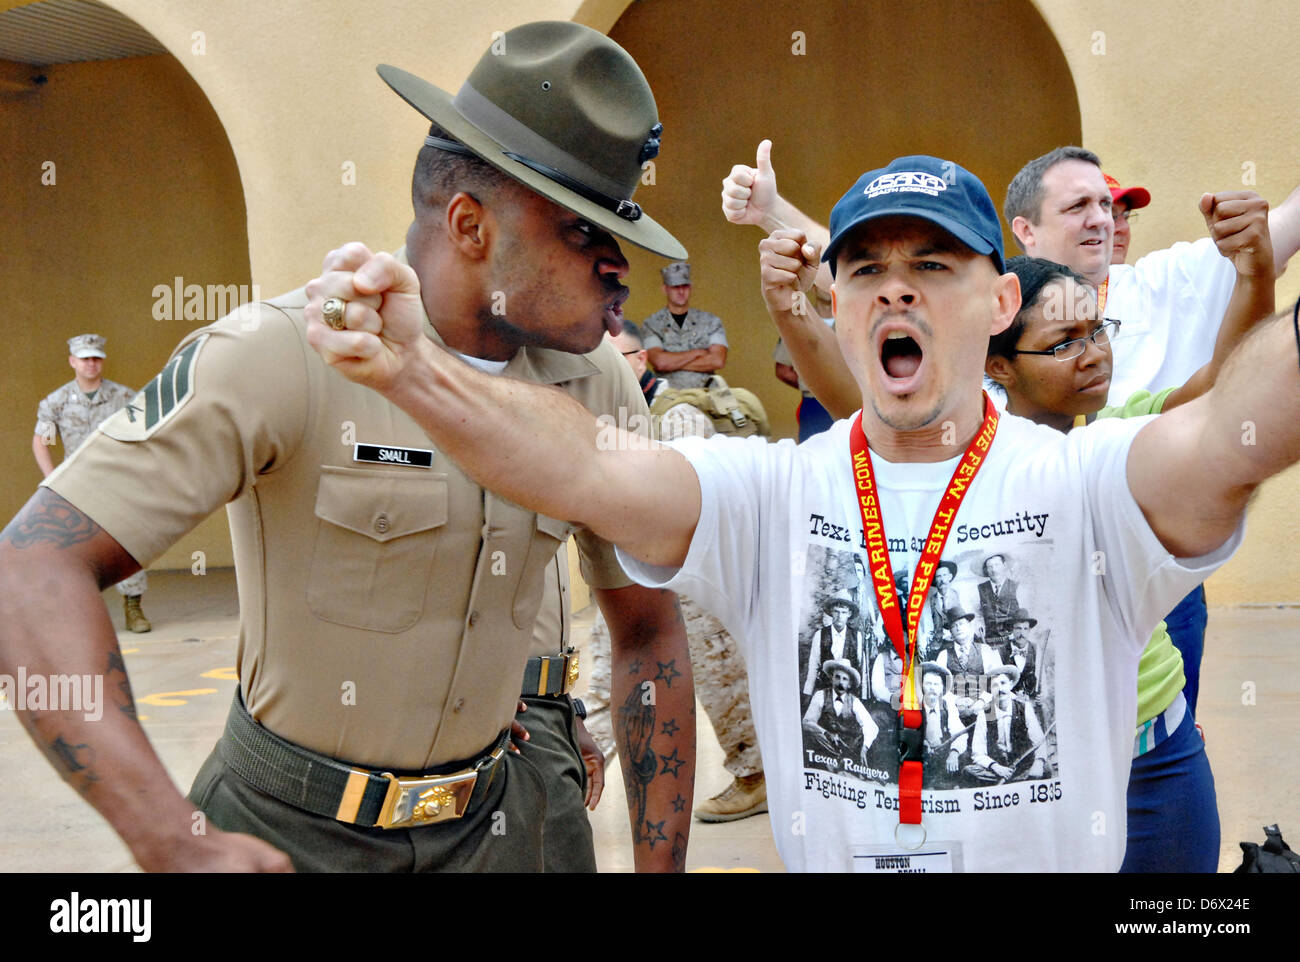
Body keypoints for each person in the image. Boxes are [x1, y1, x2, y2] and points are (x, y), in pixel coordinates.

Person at [303, 149, 1295, 873]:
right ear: (842, 305)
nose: (894, 288)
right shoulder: (770, 495)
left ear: (998, 302)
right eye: (866, 268)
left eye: (933, 266)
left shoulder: (1086, 487)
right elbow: (588, 465)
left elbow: (1233, 429)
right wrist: (415, 370)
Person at [0, 21, 694, 873]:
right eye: (584, 233)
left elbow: (650, 629)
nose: (617, 268)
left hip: (502, 826)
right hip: (292, 833)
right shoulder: (281, 353)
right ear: (471, 225)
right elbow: (31, 568)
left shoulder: (596, 384)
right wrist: (167, 840)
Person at [986, 225, 1274, 871]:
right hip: (1037, 773)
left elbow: (1228, 390)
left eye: (1097, 330)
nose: (1092, 353)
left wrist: (1255, 276)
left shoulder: (1124, 432)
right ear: (997, 364)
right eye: (1063, 343)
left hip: (1158, 760)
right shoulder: (970, 469)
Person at [1004, 145, 1299, 401]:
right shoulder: (994, 319)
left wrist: (1249, 234)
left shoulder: (1169, 278)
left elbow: (1289, 221)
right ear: (1027, 230)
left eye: (1105, 204)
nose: (1102, 220)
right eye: (1078, 206)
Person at [32, 334, 151, 633]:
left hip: (116, 483)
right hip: (76, 487)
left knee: (125, 543)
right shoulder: (56, 402)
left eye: (96, 358)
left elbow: (145, 431)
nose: (90, 364)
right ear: (73, 361)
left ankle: (133, 606)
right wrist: (52, 478)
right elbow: (42, 441)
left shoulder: (124, 397)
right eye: (85, 358)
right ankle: (78, 612)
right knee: (75, 548)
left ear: (102, 361)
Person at [640, 261, 729, 389]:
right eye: (675, 287)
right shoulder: (652, 324)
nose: (681, 291)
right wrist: (698, 353)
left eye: (685, 286)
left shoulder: (711, 322)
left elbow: (718, 360)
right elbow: (660, 362)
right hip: (668, 397)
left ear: (690, 287)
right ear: (665, 289)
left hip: (706, 394)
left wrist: (673, 363)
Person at [964, 666, 1048, 784]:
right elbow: (978, 752)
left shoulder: (1024, 708)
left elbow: (1039, 741)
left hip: (1022, 767)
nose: (1000, 689)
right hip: (997, 769)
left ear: (1011, 684)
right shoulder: (984, 713)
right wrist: (996, 767)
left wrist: (1038, 763)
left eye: (1003, 683)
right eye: (995, 685)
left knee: (1043, 770)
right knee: (969, 771)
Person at [801, 660, 877, 773]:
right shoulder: (820, 695)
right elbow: (806, 722)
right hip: (825, 745)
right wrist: (826, 733)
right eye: (837, 677)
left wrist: (865, 748)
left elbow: (871, 726)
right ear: (831, 678)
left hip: (847, 747)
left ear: (850, 684)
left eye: (844, 679)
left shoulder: (854, 701)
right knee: (812, 738)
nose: (840, 682)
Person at [802, 591, 866, 706]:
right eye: (836, 612)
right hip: (824, 690)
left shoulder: (857, 637)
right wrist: (807, 695)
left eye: (843, 612)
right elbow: (813, 669)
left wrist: (862, 697)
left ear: (849, 614)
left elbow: (860, 666)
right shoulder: (820, 635)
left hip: (848, 692)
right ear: (831, 612)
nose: (839, 616)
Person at [975, 552, 1020, 648]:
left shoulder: (1017, 587)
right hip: (989, 643)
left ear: (1004, 566)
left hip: (1013, 641)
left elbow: (1024, 618)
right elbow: (978, 616)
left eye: (997, 565)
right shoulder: (980, 589)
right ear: (986, 570)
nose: (994, 570)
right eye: (990, 567)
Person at [1105, 173, 1150, 266]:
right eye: (1111, 216)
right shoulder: (1069, 279)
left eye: (1126, 216)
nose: (1125, 228)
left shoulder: (1142, 279)